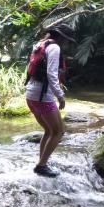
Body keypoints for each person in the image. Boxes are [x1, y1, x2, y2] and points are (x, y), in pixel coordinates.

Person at [25, 23, 76, 177]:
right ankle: (41, 166)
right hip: (43, 95)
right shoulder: (54, 48)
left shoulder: (40, 44)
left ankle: (42, 161)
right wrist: (60, 96)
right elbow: (51, 74)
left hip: (31, 93)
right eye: (66, 40)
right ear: (61, 37)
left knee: (49, 130)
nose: (66, 43)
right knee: (59, 131)